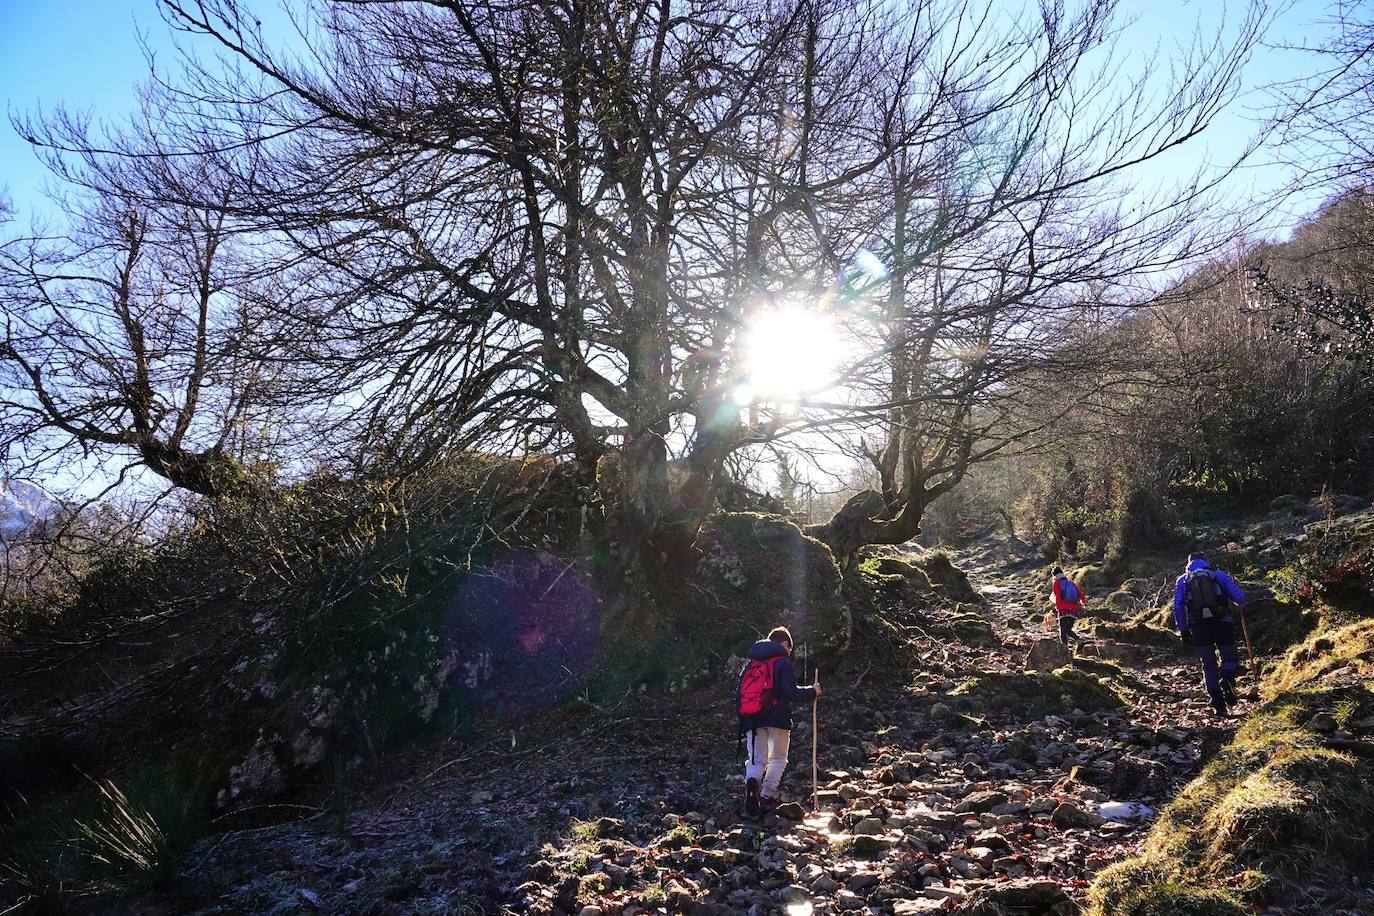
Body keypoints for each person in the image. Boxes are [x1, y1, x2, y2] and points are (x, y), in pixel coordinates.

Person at [736, 626, 821, 816]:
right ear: (784, 644)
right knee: (778, 759)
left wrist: (744, 719)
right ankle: (765, 796)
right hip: (778, 719)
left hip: (752, 719)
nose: (789, 652)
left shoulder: (750, 663)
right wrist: (812, 691)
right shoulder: (783, 662)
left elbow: (739, 694)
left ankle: (752, 781)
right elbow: (791, 692)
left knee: (757, 760)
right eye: (789, 648)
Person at [1172, 552, 1246, 717]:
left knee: (1208, 663)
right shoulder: (1218, 575)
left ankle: (1219, 705)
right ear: (1206, 561)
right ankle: (1227, 676)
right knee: (1230, 658)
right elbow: (1240, 598)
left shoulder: (1183, 580)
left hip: (1199, 627)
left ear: (1189, 563)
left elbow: (1178, 607)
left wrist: (1183, 629)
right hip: (1222, 623)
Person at [1050, 566, 1087, 646]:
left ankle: (1064, 648)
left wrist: (1058, 607)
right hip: (1074, 610)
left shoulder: (1057, 582)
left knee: (1063, 630)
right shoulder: (1071, 583)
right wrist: (1084, 603)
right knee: (1068, 630)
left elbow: (1057, 596)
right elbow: (1080, 595)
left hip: (1063, 609)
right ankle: (1079, 640)